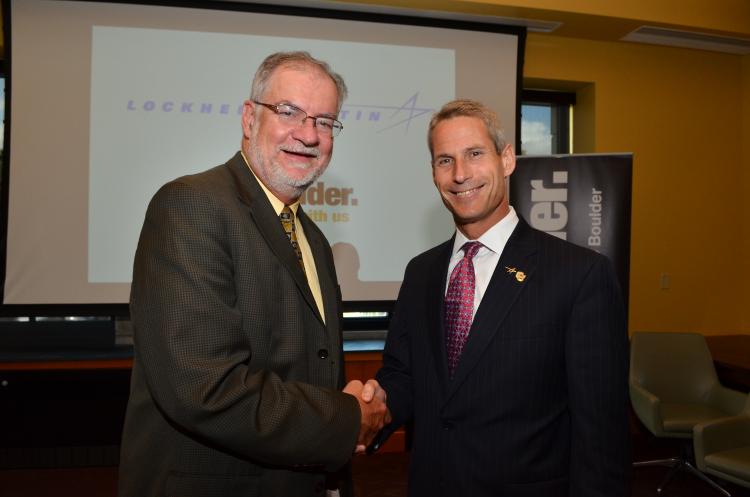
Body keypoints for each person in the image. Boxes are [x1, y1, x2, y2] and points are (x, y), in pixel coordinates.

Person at [118, 51, 387, 497]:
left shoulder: (312, 238)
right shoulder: (191, 204)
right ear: (249, 118)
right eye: (289, 112)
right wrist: (346, 418)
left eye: (324, 121)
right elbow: (205, 388)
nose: (308, 134)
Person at [372, 99, 630, 497]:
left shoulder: (579, 275)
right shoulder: (420, 272)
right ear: (433, 173)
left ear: (506, 159)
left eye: (474, 154)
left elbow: (600, 435)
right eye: (445, 160)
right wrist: (373, 408)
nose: (460, 175)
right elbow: (404, 374)